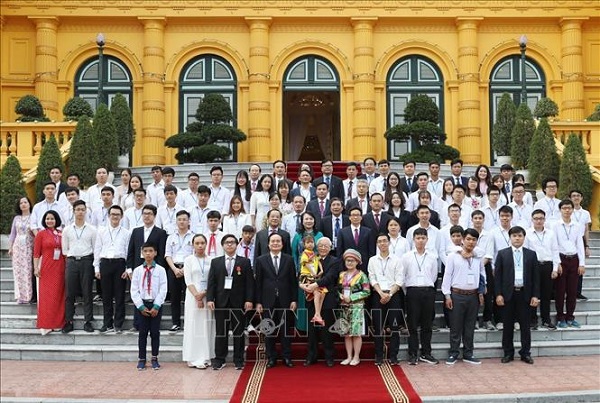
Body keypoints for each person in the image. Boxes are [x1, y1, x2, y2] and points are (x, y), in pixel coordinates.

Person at [207, 234, 254, 370]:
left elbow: (249, 283)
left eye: (232, 242)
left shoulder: (244, 262)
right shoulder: (215, 262)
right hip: (221, 302)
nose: (229, 244)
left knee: (238, 332)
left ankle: (238, 360)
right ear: (222, 245)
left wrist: (249, 300)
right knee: (221, 332)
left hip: (238, 302)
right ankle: (219, 359)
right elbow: (212, 282)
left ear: (236, 245)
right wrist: (210, 299)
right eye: (227, 242)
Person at [495, 226, 540, 364]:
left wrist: (535, 295)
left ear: (524, 238)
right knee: (508, 326)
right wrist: (498, 294)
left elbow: (536, 277)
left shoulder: (531, 254)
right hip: (508, 295)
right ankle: (508, 353)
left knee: (525, 326)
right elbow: (498, 277)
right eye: (514, 236)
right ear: (510, 238)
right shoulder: (502, 254)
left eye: (520, 236)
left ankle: (525, 353)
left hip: (525, 294)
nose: (517, 238)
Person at [442, 228, 485, 365]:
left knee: (470, 326)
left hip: (473, 295)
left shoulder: (478, 256)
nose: (471, 242)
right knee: (455, 326)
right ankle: (453, 353)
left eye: (474, 239)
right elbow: (447, 276)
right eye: (468, 239)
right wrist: (447, 295)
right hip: (457, 294)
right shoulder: (453, 256)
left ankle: (468, 353)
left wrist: (481, 291)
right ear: (463, 240)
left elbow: (482, 274)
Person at [255, 232, 298, 368]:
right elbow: (258, 283)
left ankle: (286, 357)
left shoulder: (289, 259)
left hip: (285, 299)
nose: (275, 243)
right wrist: (258, 302)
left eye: (278, 241)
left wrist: (294, 300)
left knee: (285, 330)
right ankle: (271, 357)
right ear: (268, 244)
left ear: (282, 244)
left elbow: (293, 281)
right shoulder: (261, 260)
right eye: (272, 241)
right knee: (269, 330)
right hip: (267, 300)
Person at [127, 205, 168, 332]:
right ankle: (137, 323)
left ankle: (154, 322)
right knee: (139, 293)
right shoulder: (136, 231)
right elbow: (131, 250)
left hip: (153, 267)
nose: (146, 216)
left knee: (152, 292)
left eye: (149, 213)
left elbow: (161, 252)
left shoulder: (160, 232)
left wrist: (158, 268)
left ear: (154, 216)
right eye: (144, 213)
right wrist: (129, 268)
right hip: (138, 267)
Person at [401, 228, 439, 365]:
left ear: (427, 239)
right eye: (418, 238)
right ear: (413, 239)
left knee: (427, 324)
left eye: (423, 238)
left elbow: (434, 275)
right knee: (412, 324)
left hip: (428, 291)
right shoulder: (407, 257)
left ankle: (426, 353)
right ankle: (413, 353)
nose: (420, 240)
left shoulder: (432, 257)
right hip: (412, 291)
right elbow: (403, 276)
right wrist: (409, 290)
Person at [303, 237, 340, 367]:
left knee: (327, 330)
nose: (323, 248)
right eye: (321, 245)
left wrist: (316, 284)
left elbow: (330, 277)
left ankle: (329, 357)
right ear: (316, 247)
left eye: (326, 246)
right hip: (311, 298)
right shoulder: (312, 259)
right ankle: (311, 356)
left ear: (330, 248)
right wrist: (304, 284)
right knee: (312, 330)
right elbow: (304, 273)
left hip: (328, 298)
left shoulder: (335, 261)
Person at [62, 200, 97, 333]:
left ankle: (88, 321)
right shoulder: (67, 230)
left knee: (87, 292)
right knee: (69, 293)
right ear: (74, 211)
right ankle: (69, 321)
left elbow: (95, 248)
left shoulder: (92, 229)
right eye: (78, 209)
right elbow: (65, 249)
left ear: (86, 211)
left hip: (87, 261)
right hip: (71, 261)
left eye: (83, 209)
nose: (80, 212)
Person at [94, 205, 130, 333]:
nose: (115, 217)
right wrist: (96, 268)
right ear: (109, 216)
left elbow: (128, 251)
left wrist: (127, 269)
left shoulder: (126, 233)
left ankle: (118, 324)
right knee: (106, 296)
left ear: (121, 216)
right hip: (105, 263)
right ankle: (107, 323)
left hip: (119, 264)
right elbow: (97, 249)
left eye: (117, 214)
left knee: (120, 295)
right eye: (113, 214)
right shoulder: (101, 231)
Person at [131, 242, 168, 370]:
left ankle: (154, 358)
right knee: (142, 333)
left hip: (155, 304)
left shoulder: (161, 270)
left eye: (151, 251)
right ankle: (141, 359)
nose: (148, 253)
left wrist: (156, 306)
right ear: (142, 253)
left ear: (155, 253)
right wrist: (140, 306)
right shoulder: (137, 270)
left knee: (155, 332)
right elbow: (134, 290)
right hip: (142, 305)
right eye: (145, 251)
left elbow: (163, 288)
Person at [368, 233, 403, 366]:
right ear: (377, 244)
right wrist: (381, 293)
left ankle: (393, 356)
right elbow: (372, 278)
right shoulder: (372, 260)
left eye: (384, 241)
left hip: (393, 295)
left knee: (394, 327)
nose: (382, 243)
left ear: (389, 243)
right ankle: (379, 356)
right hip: (378, 295)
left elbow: (399, 280)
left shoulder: (397, 260)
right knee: (378, 327)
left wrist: (389, 294)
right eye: (379, 241)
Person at [182, 234, 214, 369]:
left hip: (207, 296)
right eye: (197, 243)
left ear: (206, 244)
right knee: (193, 325)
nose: (200, 246)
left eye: (202, 243)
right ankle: (192, 356)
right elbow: (188, 280)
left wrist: (203, 294)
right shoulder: (188, 260)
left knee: (206, 325)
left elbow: (213, 280)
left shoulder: (211, 260)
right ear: (193, 245)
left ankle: (205, 356)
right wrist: (197, 296)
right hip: (192, 296)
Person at [553, 199, 586, 328]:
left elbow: (580, 245)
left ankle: (570, 317)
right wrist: (557, 263)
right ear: (560, 210)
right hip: (562, 258)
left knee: (572, 291)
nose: (567, 210)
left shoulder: (577, 225)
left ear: (572, 210)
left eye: (569, 208)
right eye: (564, 208)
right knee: (560, 291)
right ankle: (560, 317)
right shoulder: (555, 225)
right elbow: (554, 245)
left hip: (574, 259)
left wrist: (582, 263)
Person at [525, 209, 560, 330]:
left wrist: (555, 268)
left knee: (546, 294)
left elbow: (555, 250)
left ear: (544, 219)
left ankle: (546, 320)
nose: (538, 221)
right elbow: (526, 252)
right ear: (532, 220)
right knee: (532, 293)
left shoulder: (551, 233)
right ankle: (532, 320)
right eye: (536, 218)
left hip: (547, 265)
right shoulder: (527, 233)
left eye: (541, 218)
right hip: (533, 266)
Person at [33, 210, 66, 335]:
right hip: (46, 268)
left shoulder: (61, 233)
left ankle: (58, 323)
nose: (49, 221)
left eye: (52, 218)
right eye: (47, 219)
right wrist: (36, 268)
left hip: (60, 267)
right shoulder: (41, 234)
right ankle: (46, 323)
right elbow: (36, 253)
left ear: (56, 220)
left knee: (59, 295)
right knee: (46, 296)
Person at [338, 248, 371, 366]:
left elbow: (367, 291)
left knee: (356, 333)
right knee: (346, 333)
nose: (349, 263)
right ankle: (349, 356)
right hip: (344, 306)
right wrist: (340, 295)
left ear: (357, 262)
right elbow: (337, 289)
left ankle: (356, 357)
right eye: (347, 260)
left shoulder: (362, 276)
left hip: (357, 306)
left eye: (352, 260)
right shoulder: (342, 275)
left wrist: (352, 297)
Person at [291, 211, 324, 331]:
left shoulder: (319, 235)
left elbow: (322, 251)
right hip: (303, 271)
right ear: (302, 221)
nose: (308, 221)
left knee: (317, 296)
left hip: (316, 271)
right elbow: (294, 253)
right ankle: (302, 325)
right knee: (303, 298)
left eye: (311, 219)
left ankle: (316, 322)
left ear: (314, 220)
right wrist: (297, 270)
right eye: (306, 219)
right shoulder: (297, 235)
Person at [165, 210, 194, 332]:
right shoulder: (170, 237)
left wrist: (184, 269)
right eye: (179, 219)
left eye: (184, 219)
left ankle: (189, 323)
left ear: (189, 221)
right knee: (174, 297)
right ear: (176, 221)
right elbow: (168, 255)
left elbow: (194, 254)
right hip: (174, 268)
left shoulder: (193, 236)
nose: (182, 222)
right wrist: (175, 269)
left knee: (189, 298)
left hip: (189, 268)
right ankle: (175, 323)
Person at [8, 197, 34, 304]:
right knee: (18, 271)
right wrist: (10, 247)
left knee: (28, 270)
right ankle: (20, 296)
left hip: (29, 246)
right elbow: (13, 234)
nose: (23, 204)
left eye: (25, 202)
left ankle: (29, 296)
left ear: (29, 204)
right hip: (18, 246)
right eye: (21, 203)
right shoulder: (16, 218)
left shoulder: (33, 217)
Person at [298, 234, 327, 325]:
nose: (310, 244)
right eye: (308, 242)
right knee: (317, 292)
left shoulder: (314, 254)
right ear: (304, 244)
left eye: (312, 242)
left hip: (313, 276)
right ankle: (317, 315)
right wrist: (313, 273)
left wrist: (321, 270)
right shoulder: (305, 254)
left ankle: (317, 314)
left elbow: (318, 262)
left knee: (323, 292)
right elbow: (306, 264)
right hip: (306, 276)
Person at [336, 206, 375, 271]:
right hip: (348, 266)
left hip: (364, 265)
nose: (355, 217)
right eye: (353, 215)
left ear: (361, 217)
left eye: (357, 215)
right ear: (349, 217)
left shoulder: (368, 231)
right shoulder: (342, 232)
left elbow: (371, 251)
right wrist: (341, 267)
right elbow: (339, 252)